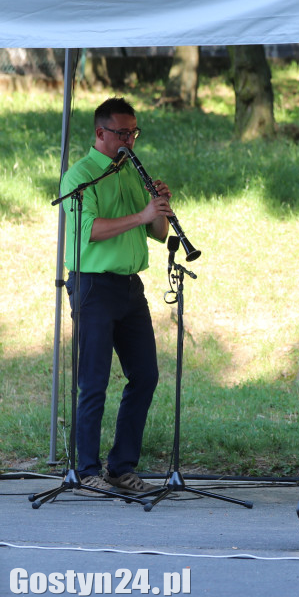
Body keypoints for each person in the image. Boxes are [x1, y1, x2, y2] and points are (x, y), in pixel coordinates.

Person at [60, 97, 174, 496]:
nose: (129, 140)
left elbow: (158, 234)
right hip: (93, 285)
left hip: (130, 287)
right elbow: (88, 230)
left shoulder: (129, 172)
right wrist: (141, 215)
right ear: (100, 133)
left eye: (134, 132)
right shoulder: (80, 177)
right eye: (122, 133)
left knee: (145, 375)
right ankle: (87, 469)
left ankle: (120, 467)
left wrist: (159, 207)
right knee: (93, 381)